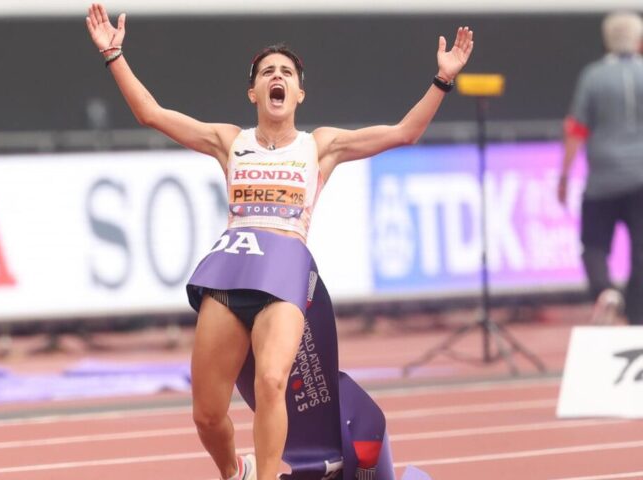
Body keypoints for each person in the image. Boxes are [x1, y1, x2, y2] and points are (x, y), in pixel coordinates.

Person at [85, 4, 473, 479]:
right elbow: (151, 114)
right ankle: (236, 471)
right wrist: (113, 55)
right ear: (253, 92)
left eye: (286, 72)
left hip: (285, 271)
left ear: (298, 93)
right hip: (231, 270)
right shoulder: (230, 141)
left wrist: (443, 80)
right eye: (267, 71)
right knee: (206, 414)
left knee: (272, 381)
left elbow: (404, 133)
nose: (277, 77)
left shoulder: (320, 146)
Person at [558, 11, 643, 326]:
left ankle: (604, 291)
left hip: (603, 178)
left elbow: (576, 129)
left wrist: (564, 176)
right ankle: (637, 318)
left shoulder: (593, 77)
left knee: (593, 244)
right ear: (639, 40)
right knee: (641, 253)